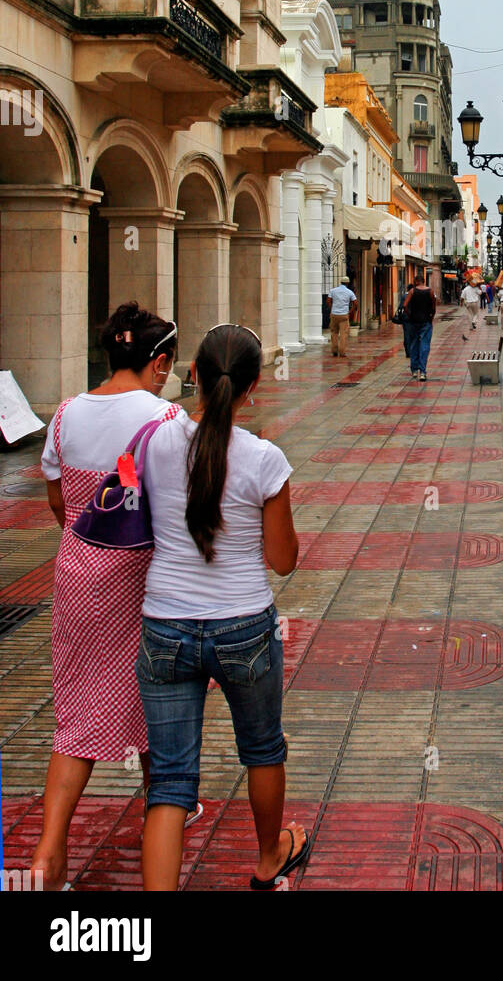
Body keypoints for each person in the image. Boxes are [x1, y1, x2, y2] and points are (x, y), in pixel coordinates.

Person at [136, 324, 304, 892]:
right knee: (262, 749)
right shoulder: (264, 459)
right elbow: (283, 561)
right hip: (244, 626)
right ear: (254, 386)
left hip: (164, 625)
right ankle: (266, 859)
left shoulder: (156, 442)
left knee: (170, 783)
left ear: (194, 376)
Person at [33, 302, 179, 891]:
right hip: (141, 583)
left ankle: (47, 855)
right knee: (155, 700)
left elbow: (57, 504)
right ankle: (162, 815)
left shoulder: (67, 414)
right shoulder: (167, 418)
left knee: (77, 716)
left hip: (77, 579)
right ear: (159, 362)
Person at [404, 273, 437, 381]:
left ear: (416, 281)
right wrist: (431, 317)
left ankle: (414, 371)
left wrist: (410, 315)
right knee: (424, 346)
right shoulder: (430, 291)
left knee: (414, 345)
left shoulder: (412, 291)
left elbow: (405, 305)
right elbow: (433, 306)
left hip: (414, 322)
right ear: (423, 281)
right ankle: (423, 372)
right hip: (426, 321)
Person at [327, 276, 357, 357]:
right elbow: (355, 303)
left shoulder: (333, 290)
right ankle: (342, 352)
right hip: (344, 315)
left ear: (341, 282)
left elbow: (328, 301)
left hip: (334, 314)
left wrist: (332, 309)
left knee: (334, 333)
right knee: (343, 334)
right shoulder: (350, 292)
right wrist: (350, 312)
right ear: (347, 283)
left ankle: (334, 351)